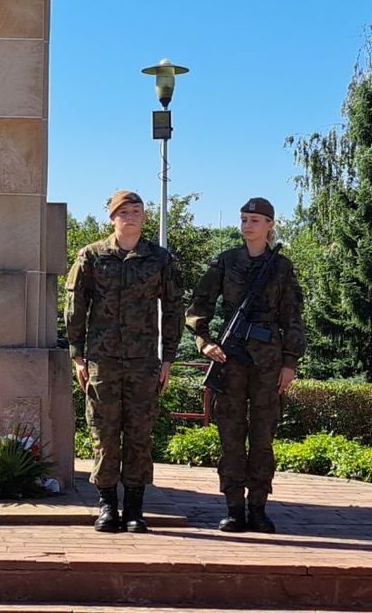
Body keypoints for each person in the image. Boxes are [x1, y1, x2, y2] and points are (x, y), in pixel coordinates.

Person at [184, 197, 306, 534]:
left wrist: (290, 362)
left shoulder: (281, 267)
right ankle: (234, 508)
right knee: (231, 435)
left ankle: (259, 507)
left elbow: (292, 317)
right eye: (244, 219)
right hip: (231, 358)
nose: (248, 225)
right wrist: (205, 342)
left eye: (255, 220)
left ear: (269, 225)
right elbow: (198, 306)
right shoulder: (225, 262)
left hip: (268, 362)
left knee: (263, 435)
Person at [65, 191, 184, 533]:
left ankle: (134, 508)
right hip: (102, 360)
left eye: (136, 211)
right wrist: (78, 355)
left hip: (144, 360)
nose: (131, 216)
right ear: (112, 218)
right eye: (123, 212)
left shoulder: (159, 259)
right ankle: (106, 506)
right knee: (103, 434)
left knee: (139, 435)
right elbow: (75, 308)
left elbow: (173, 309)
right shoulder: (91, 256)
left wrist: (168, 358)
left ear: (144, 218)